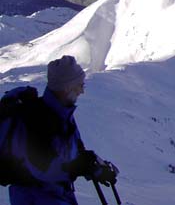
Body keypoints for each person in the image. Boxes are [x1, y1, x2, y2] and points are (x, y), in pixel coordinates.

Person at [6, 55, 117, 205]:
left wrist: (98, 169)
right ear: (67, 88)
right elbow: (41, 168)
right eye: (80, 85)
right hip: (35, 197)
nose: (82, 91)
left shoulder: (64, 116)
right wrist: (78, 167)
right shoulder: (37, 119)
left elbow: (77, 154)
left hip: (59, 195)